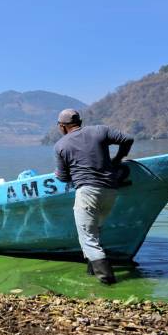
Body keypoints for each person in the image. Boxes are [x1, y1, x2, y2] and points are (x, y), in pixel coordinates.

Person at [53, 109, 134, 284]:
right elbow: (127, 139)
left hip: (87, 193)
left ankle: (108, 282)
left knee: (88, 238)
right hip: (110, 191)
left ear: (62, 126)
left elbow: (63, 177)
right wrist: (118, 159)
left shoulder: (61, 146)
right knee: (94, 233)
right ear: (79, 121)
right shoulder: (100, 130)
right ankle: (91, 271)